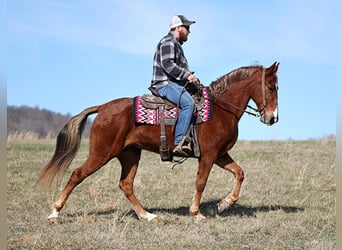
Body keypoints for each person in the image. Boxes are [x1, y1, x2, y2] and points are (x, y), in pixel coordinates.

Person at [150, 15, 199, 156]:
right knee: (189, 103)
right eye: (187, 28)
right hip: (165, 84)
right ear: (178, 28)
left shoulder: (176, 44)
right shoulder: (168, 42)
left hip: (175, 84)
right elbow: (168, 64)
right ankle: (179, 142)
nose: (189, 31)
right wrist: (187, 76)